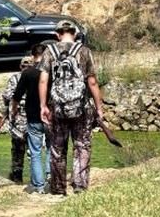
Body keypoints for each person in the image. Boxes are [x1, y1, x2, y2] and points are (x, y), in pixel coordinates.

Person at [38, 20, 103, 196]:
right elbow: (92, 81)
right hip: (81, 108)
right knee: (82, 146)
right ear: (74, 33)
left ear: (57, 34)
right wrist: (99, 107)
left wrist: (43, 105)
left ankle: (58, 188)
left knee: (57, 149)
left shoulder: (49, 51)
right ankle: (80, 186)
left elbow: (43, 80)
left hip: (57, 108)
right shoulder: (84, 51)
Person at [11, 44, 50, 194]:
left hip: (33, 116)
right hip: (51, 115)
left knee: (35, 151)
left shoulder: (27, 73)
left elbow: (17, 95)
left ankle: (38, 185)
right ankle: (50, 178)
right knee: (52, 148)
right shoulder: (51, 71)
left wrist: (14, 111)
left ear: (33, 56)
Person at [2, 56, 33, 184]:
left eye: (27, 66)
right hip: (24, 120)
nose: (25, 68)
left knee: (26, 150)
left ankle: (22, 178)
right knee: (22, 150)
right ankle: (20, 177)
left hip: (26, 119)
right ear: (20, 67)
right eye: (24, 66)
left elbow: (7, 96)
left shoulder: (15, 79)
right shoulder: (37, 76)